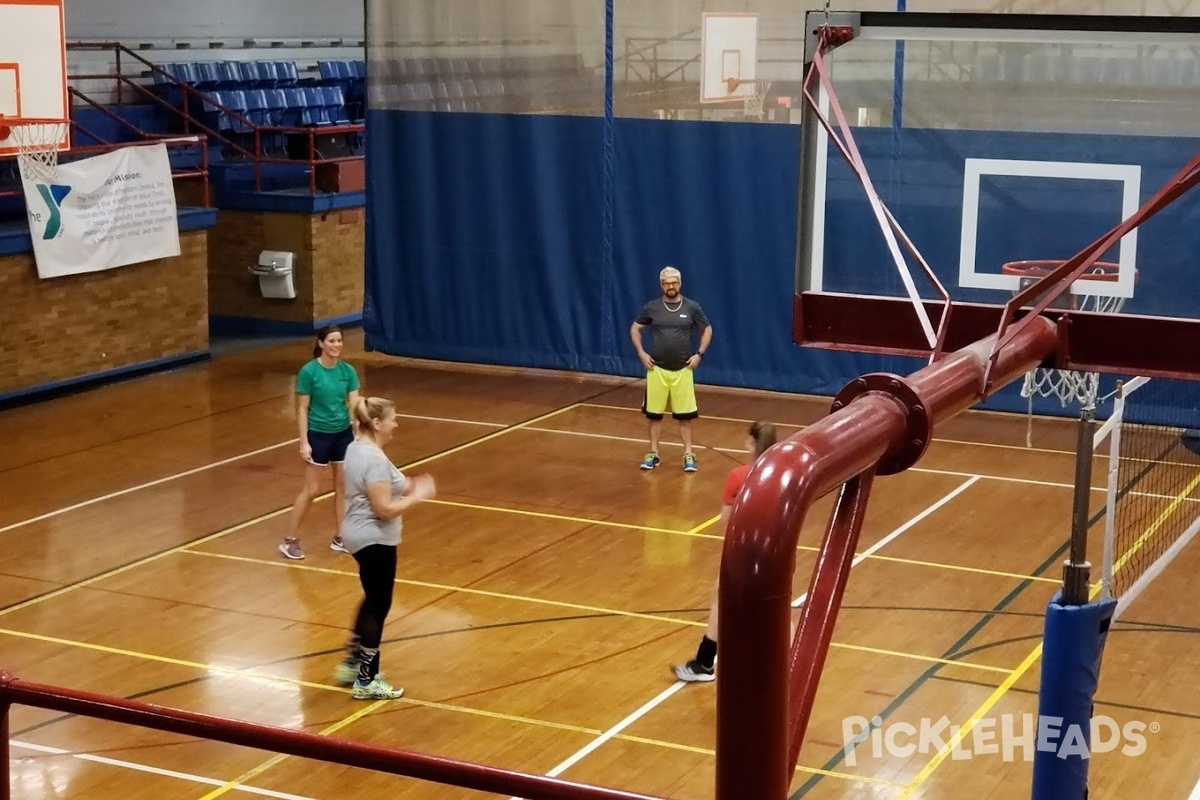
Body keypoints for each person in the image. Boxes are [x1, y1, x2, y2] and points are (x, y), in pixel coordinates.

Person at [332, 396, 437, 700]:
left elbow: (395, 481)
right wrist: (419, 495)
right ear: (377, 424)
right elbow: (385, 509)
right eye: (393, 418)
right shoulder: (374, 459)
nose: (396, 423)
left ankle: (353, 662)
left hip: (356, 534)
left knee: (372, 597)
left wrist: (411, 484)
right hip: (374, 538)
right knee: (379, 604)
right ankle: (367, 680)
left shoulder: (357, 448)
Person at [673, 420, 778, 682]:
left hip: (744, 551)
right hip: (777, 550)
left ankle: (704, 662)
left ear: (751, 442)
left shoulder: (739, 476)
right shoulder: (781, 474)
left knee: (722, 600)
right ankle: (787, 663)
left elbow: (726, 520)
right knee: (774, 604)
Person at [279, 325, 360, 560]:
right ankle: (290, 540)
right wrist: (304, 441)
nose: (336, 345)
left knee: (343, 486)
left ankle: (340, 537)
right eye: (332, 341)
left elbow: (354, 403)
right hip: (318, 435)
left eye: (339, 341)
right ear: (321, 343)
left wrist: (358, 425)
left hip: (343, 435)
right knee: (312, 489)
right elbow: (302, 409)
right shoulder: (309, 372)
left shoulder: (348, 371)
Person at [630, 266, 713, 472]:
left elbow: (707, 330)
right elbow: (635, 329)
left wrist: (699, 354)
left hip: (683, 371)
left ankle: (688, 454)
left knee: (685, 417)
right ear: (661, 285)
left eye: (674, 282)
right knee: (654, 415)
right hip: (657, 370)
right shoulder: (652, 308)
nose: (670, 286)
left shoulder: (692, 307)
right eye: (666, 283)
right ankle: (653, 453)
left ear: (680, 283)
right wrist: (641, 352)